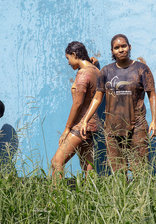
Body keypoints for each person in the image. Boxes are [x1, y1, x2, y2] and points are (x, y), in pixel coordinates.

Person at [81, 34, 156, 174]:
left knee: (139, 169)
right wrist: (85, 119)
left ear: (129, 47)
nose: (121, 50)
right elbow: (97, 98)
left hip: (137, 127)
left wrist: (154, 121)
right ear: (112, 51)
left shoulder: (141, 69)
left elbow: (152, 95)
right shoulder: (106, 71)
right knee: (118, 170)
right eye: (117, 48)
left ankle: (139, 196)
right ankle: (122, 196)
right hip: (112, 128)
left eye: (124, 46)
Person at [51, 41, 100, 180]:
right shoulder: (95, 70)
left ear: (74, 54)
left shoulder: (83, 74)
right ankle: (92, 199)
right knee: (88, 168)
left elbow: (78, 103)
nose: (68, 63)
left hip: (80, 125)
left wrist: (67, 129)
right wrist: (94, 62)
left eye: (68, 58)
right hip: (92, 126)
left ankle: (56, 199)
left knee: (56, 162)